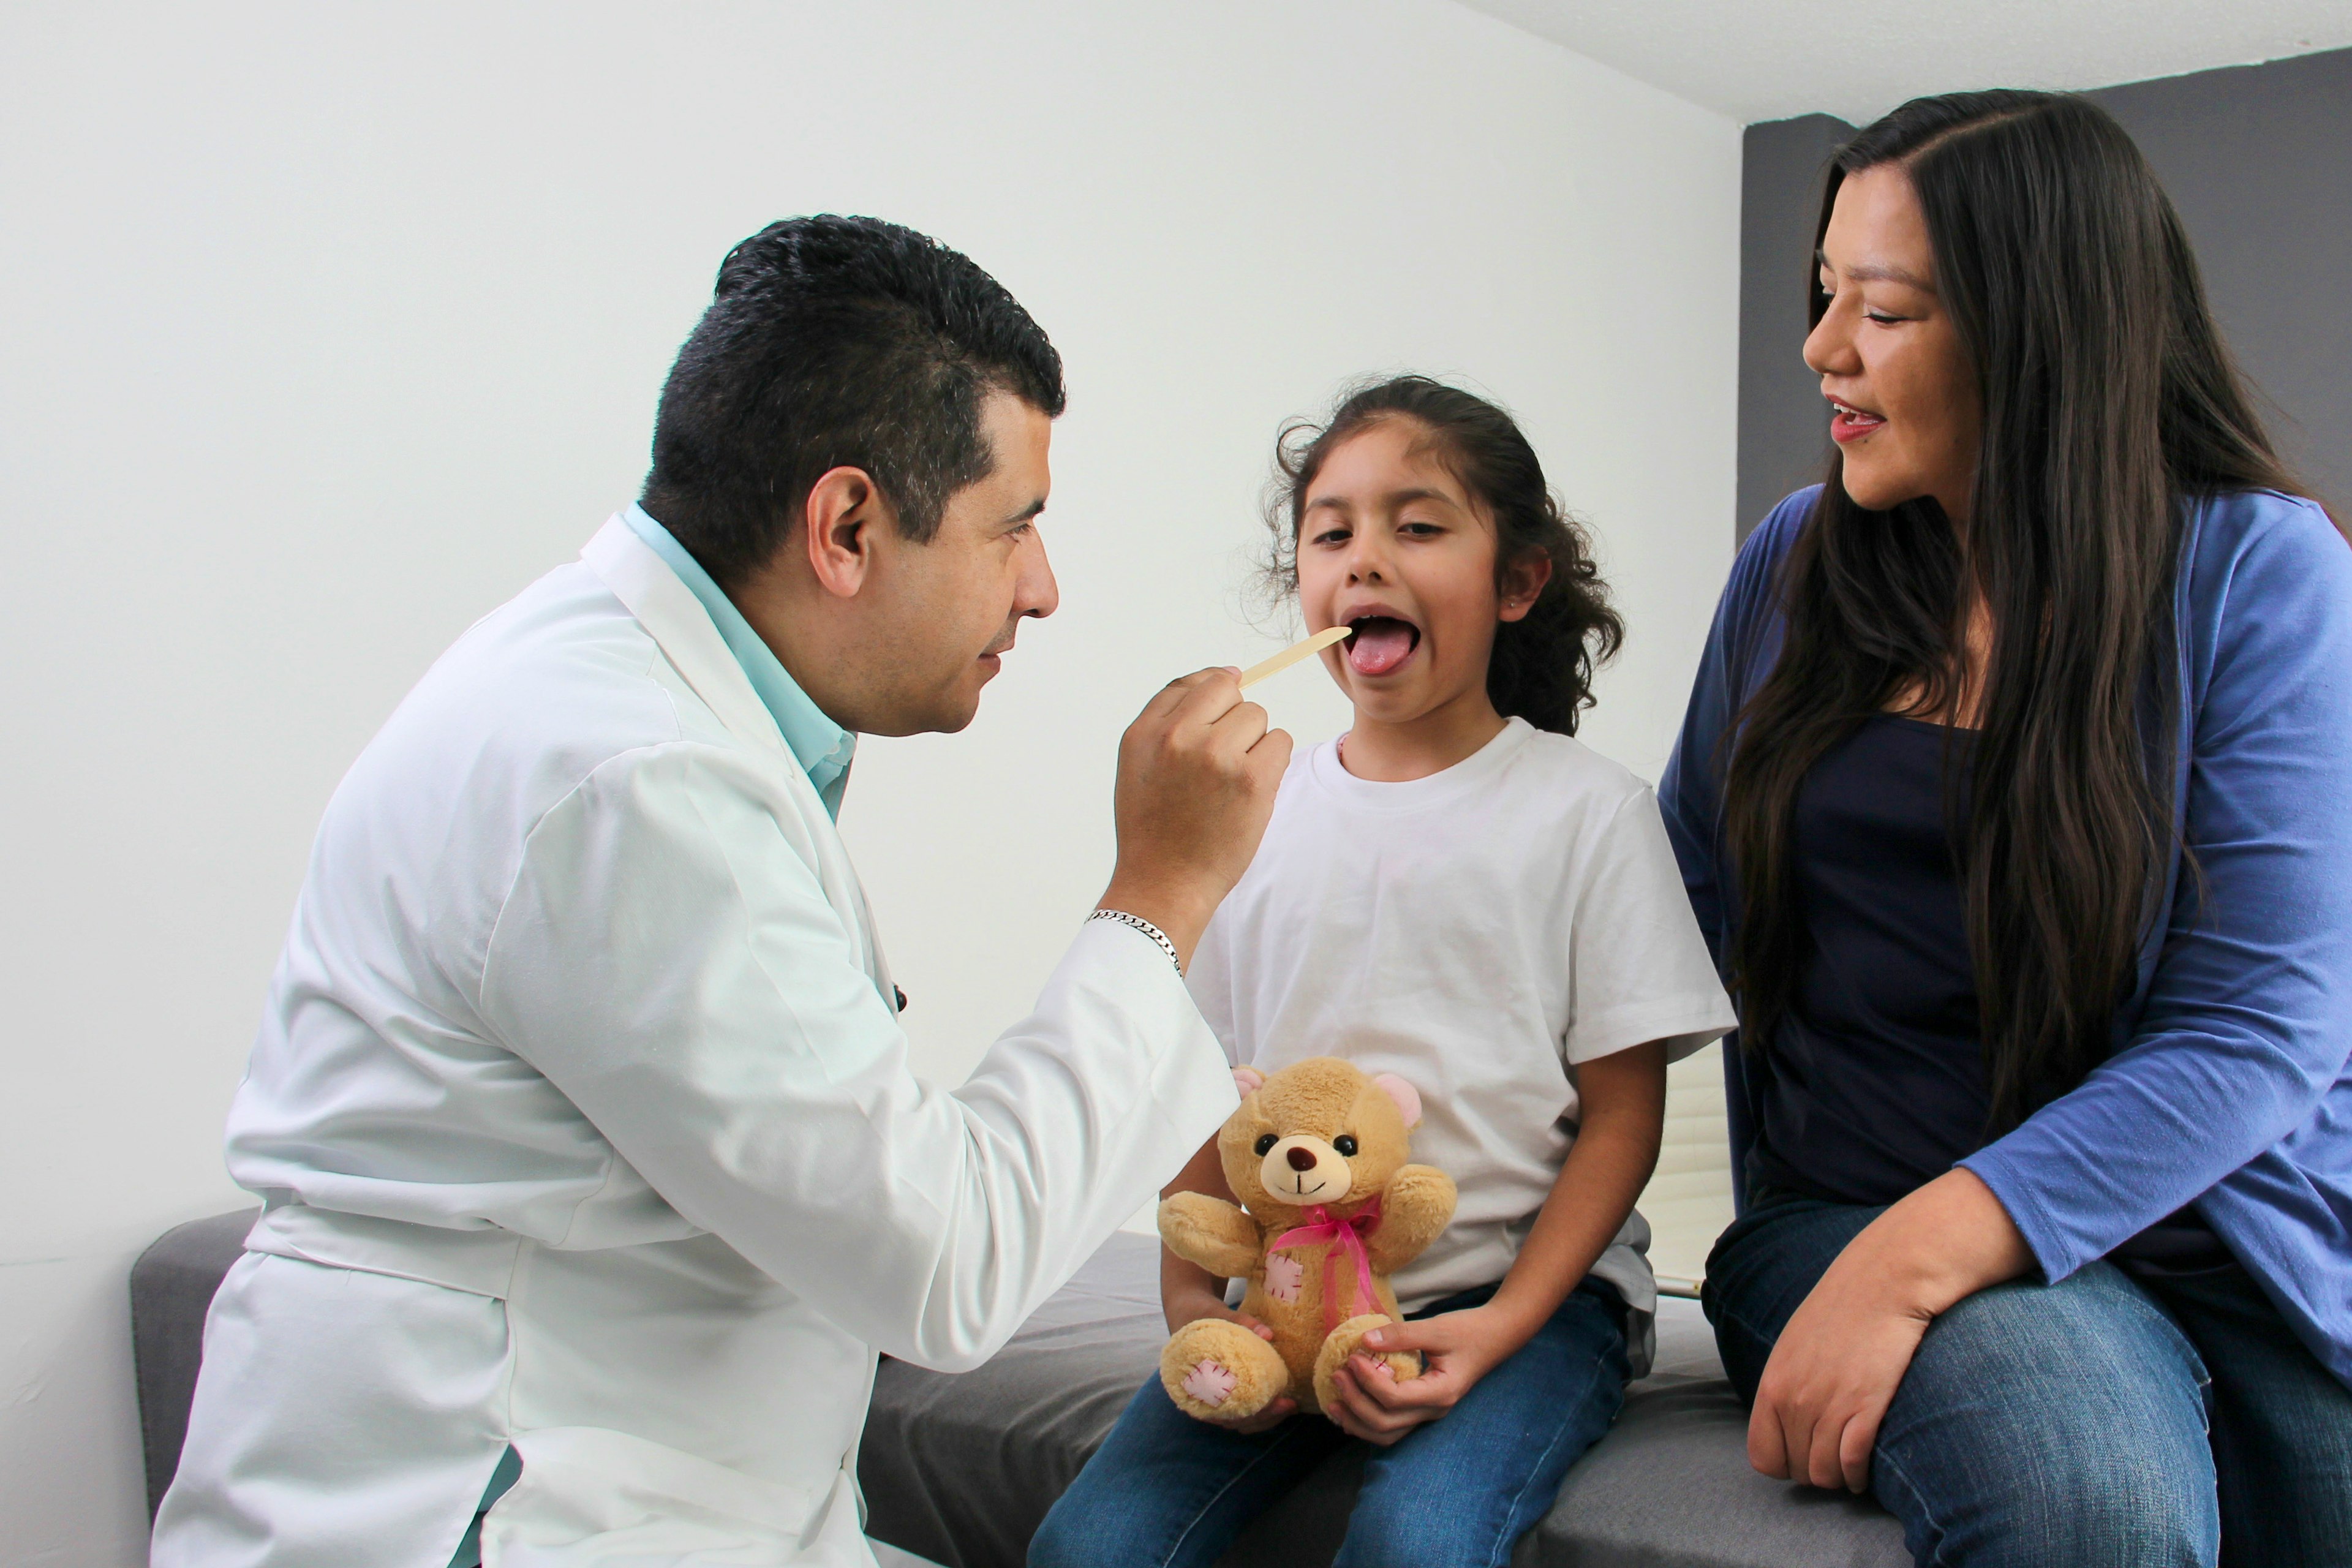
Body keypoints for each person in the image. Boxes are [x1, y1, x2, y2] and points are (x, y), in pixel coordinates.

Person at [150, 216, 1293, 1568]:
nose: (1043, 589)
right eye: (1016, 527)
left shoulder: (614, 684)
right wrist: (1161, 889)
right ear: (849, 525)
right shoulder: (636, 781)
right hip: (515, 1511)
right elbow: (944, 1263)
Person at [1660, 92, 2352, 1567]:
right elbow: (1675, 914)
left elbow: (2259, 1031)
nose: (1823, 347)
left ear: (2044, 330)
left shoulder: (2256, 571)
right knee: (2088, 1506)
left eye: (1887, 307)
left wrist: (1921, 1259)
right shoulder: (1794, 564)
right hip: (1848, 1204)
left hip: (2212, 1242)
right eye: (1824, 291)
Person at [1030, 377, 1736, 1568]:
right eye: (1332, 532)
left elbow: (1624, 1116)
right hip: (1288, 1292)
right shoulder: (1249, 813)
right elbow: (1205, 1093)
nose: (1366, 559)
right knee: (1090, 1544)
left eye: (1418, 526)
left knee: (1415, 1542)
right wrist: (1195, 1308)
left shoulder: (1588, 814)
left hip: (1527, 1306)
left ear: (1518, 581)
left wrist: (1501, 1326)